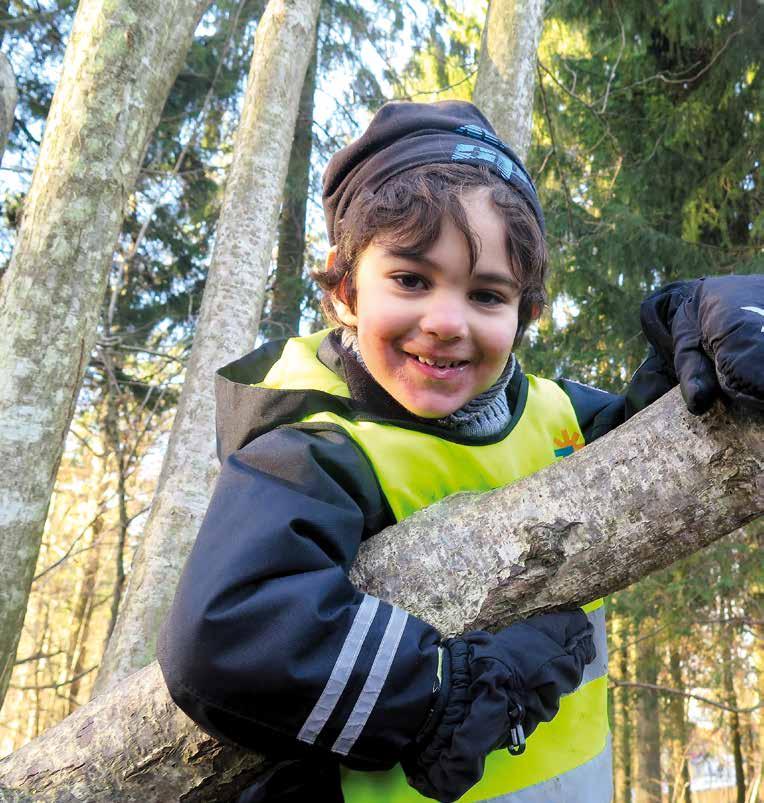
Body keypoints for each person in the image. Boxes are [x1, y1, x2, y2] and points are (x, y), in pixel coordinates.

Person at [157, 101, 763, 803]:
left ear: (526, 313)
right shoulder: (313, 447)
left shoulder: (559, 417)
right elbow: (226, 631)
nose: (445, 322)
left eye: (486, 294)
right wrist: (443, 693)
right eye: (411, 280)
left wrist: (704, 313)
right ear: (346, 288)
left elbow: (673, 429)